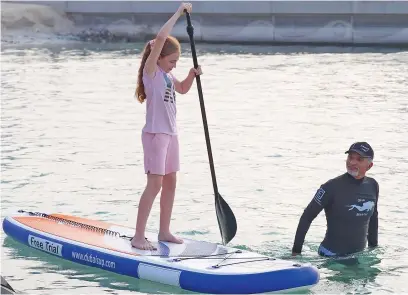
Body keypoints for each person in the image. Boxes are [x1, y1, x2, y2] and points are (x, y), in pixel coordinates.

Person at [131, 2, 203, 250]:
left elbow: (181, 89)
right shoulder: (151, 72)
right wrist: (180, 12)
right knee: (155, 184)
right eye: (172, 61)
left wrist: (192, 75)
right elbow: (161, 37)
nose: (174, 65)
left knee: (171, 182)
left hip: (171, 135)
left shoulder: (168, 76)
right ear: (158, 57)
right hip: (155, 135)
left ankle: (164, 231)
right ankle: (138, 236)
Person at [292, 142, 379, 257]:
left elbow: (373, 218)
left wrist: (373, 250)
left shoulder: (372, 185)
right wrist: (296, 252)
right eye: (350, 157)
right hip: (330, 257)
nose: (352, 162)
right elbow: (307, 217)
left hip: (359, 256)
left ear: (369, 166)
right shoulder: (331, 187)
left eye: (359, 159)